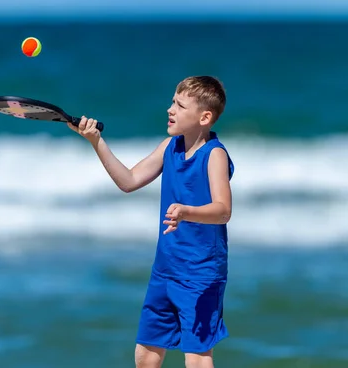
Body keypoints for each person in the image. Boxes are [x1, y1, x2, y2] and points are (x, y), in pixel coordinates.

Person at [68, 75, 234, 368]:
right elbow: (129, 181)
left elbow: (223, 210)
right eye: (172, 101)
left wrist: (187, 211)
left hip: (201, 272)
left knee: (197, 356)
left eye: (180, 105)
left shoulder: (214, 154)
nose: (170, 109)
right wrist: (96, 141)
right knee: (146, 355)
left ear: (204, 117)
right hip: (166, 268)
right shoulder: (170, 147)